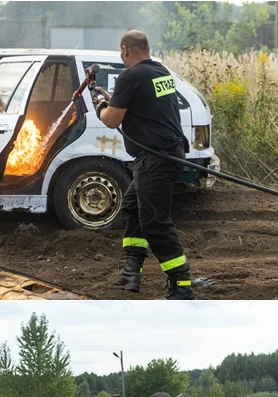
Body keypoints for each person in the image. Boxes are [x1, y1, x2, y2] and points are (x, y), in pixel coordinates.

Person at [94, 30, 194, 300]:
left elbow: (112, 120)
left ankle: (182, 286)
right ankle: (131, 273)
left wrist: (101, 105)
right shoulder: (160, 72)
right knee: (133, 209)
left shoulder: (130, 76)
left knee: (156, 223)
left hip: (156, 160)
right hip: (167, 155)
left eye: (121, 52)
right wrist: (113, 98)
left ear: (125, 50)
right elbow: (145, 105)